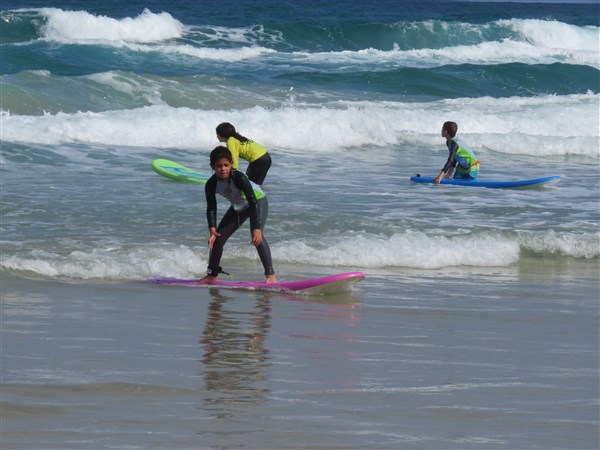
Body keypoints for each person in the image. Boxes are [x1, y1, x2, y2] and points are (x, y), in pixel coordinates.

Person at [197, 146, 277, 285]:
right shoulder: (211, 184)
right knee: (217, 239)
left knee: (257, 237)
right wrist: (212, 228)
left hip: (257, 201)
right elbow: (211, 208)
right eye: (219, 166)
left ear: (231, 164)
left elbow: (252, 201)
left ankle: (270, 276)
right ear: (212, 166)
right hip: (239, 207)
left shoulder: (238, 177)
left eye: (226, 165)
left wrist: (256, 227)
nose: (223, 169)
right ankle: (211, 275)